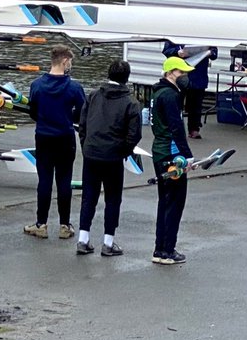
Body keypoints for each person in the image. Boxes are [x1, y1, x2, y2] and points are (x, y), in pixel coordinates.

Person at [77, 59, 142, 256]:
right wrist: (124, 151)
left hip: (92, 153)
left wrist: (86, 145)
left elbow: (82, 124)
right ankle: (108, 242)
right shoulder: (131, 102)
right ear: (127, 78)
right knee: (113, 199)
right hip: (113, 156)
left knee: (89, 197)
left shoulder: (94, 95)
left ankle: (83, 238)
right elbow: (134, 134)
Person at [22, 46, 86, 241]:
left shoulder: (37, 85)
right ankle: (65, 225)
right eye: (71, 62)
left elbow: (32, 111)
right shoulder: (74, 87)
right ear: (65, 61)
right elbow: (82, 112)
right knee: (64, 180)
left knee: (45, 180)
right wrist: (69, 117)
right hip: (65, 135)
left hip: (43, 135)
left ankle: (41, 223)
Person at [151, 56, 194, 265]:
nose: (184, 77)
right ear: (170, 73)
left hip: (160, 151)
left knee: (165, 202)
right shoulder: (170, 95)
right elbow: (176, 127)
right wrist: (187, 155)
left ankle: (160, 248)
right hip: (171, 153)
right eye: (181, 72)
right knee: (175, 202)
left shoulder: (158, 91)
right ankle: (167, 250)